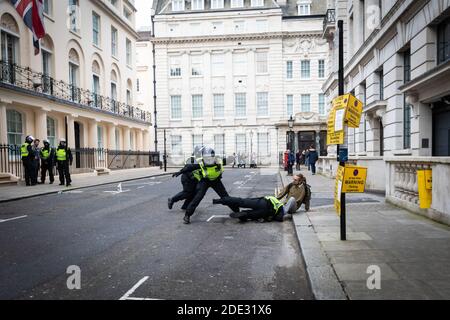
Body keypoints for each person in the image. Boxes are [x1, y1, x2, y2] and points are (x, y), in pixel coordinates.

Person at [180, 147, 239, 224]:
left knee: (225, 197)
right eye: (206, 158)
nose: (208, 160)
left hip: (216, 181)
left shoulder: (218, 161)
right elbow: (190, 167)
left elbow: (228, 160)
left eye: (210, 158)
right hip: (205, 180)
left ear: (213, 157)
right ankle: (187, 215)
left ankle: (237, 211)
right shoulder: (201, 163)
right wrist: (181, 171)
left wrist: (234, 157)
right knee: (198, 197)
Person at [212, 195, 298, 222]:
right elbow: (279, 218)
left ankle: (221, 200)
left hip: (262, 201)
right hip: (266, 212)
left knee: (241, 201)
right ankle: (243, 215)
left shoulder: (281, 206)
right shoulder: (282, 211)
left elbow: (292, 199)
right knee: (250, 215)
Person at [168, 146, 203, 211]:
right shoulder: (192, 159)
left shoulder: (199, 160)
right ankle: (172, 199)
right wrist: (179, 173)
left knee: (194, 193)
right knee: (187, 192)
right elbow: (186, 168)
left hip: (193, 179)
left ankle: (185, 206)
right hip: (187, 178)